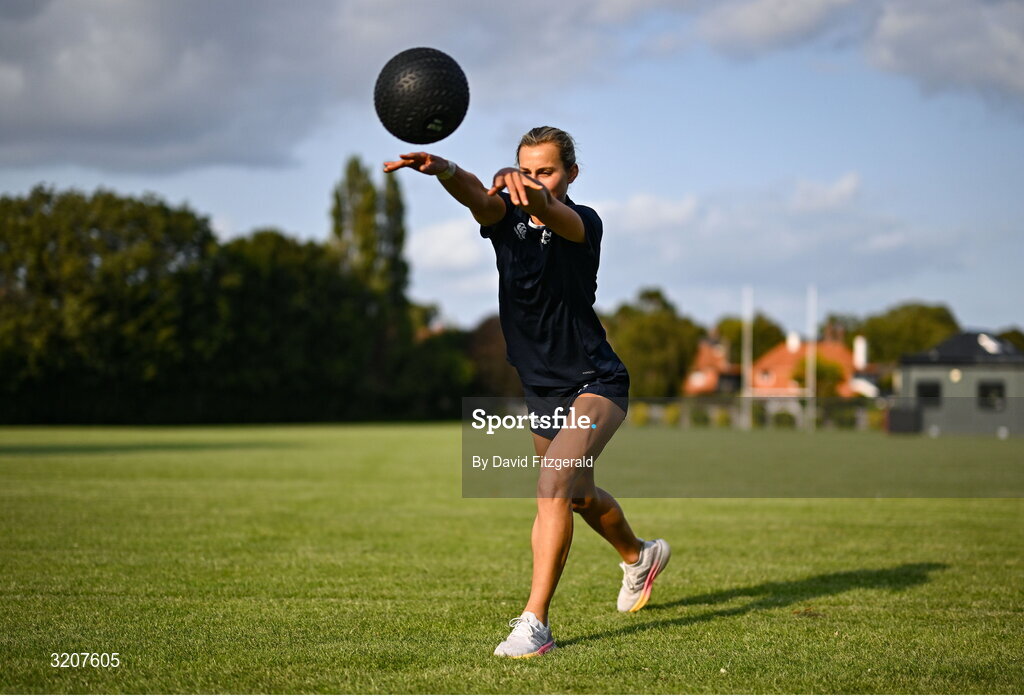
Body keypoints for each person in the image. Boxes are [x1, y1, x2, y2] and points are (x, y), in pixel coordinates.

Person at [384, 127, 670, 658]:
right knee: (577, 495)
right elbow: (476, 194)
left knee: (553, 482)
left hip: (596, 382)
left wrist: (528, 189)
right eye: (527, 169)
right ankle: (639, 555)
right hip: (541, 389)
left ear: (570, 175)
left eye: (547, 171)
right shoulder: (504, 219)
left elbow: (548, 209)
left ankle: (535, 624)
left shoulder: (582, 222)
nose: (535, 180)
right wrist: (444, 170)